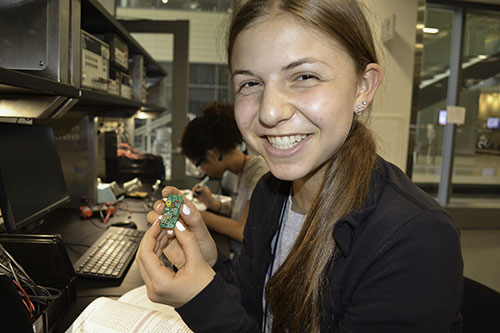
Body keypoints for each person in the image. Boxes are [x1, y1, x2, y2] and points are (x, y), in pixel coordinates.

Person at [136, 0, 463, 331]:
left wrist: (201, 299)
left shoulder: (415, 239)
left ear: (363, 87)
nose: (269, 112)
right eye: (250, 83)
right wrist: (209, 267)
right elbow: (253, 319)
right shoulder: (269, 196)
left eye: (304, 76)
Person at [180, 102, 269, 256]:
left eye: (199, 165)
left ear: (211, 155)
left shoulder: (260, 173)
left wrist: (197, 216)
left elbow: (243, 231)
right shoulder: (238, 172)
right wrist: (212, 203)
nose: (202, 171)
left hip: (246, 264)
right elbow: (241, 211)